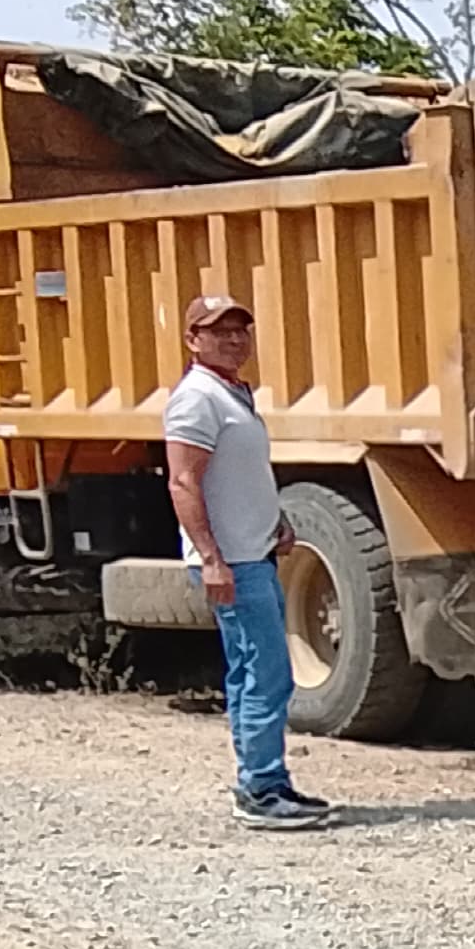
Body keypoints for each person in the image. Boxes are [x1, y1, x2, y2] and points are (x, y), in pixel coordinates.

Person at [161, 291, 334, 831]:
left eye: (240, 330)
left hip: (251, 553)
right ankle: (260, 788)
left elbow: (238, 476)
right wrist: (212, 559)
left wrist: (273, 522)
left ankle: (264, 780)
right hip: (233, 562)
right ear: (192, 340)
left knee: (251, 670)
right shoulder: (197, 399)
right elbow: (183, 481)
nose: (234, 340)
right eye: (219, 332)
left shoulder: (231, 393)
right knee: (267, 672)